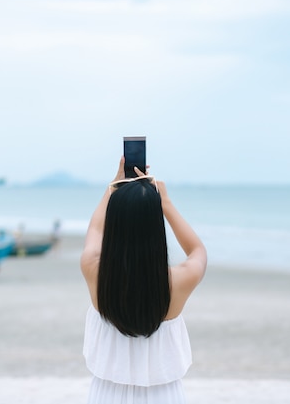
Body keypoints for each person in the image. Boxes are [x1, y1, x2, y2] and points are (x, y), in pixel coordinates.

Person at [80, 157, 207, 404]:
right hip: (164, 395)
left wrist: (113, 188)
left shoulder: (94, 269)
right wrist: (166, 203)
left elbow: (95, 230)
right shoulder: (179, 280)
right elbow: (197, 250)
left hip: (106, 395)